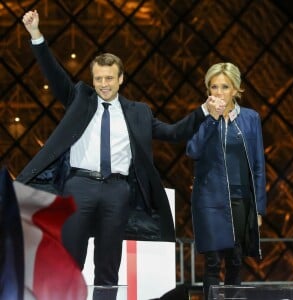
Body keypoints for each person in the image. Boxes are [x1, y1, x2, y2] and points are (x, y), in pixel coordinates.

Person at [17, 10, 224, 292]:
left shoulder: (139, 112)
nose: (103, 84)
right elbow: (54, 75)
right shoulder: (80, 98)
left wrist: (203, 111)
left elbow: (174, 132)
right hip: (79, 187)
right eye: (99, 78)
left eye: (109, 78)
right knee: (68, 261)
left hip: (117, 191)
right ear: (92, 79)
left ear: (121, 79)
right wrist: (36, 35)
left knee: (108, 265)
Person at [186, 62, 267, 300]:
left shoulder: (251, 118)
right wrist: (211, 118)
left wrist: (259, 208)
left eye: (225, 86)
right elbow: (192, 150)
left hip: (240, 199)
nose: (219, 92)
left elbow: (259, 165)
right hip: (210, 199)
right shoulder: (202, 117)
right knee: (212, 262)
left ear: (235, 89)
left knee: (235, 260)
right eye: (214, 87)